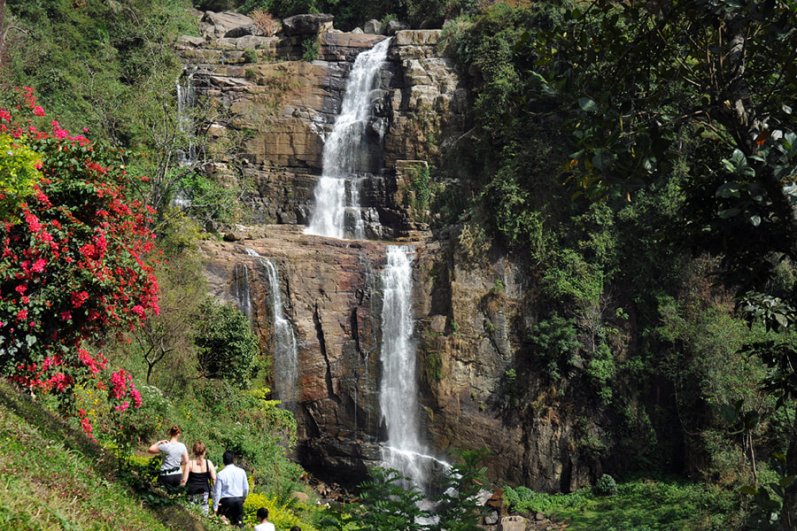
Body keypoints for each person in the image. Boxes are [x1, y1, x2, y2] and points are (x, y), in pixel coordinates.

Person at [213, 450, 249, 527]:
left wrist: (215, 507)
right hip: (238, 500)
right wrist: (243, 498)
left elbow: (217, 493)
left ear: (223, 461)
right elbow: (246, 488)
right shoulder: (241, 471)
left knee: (224, 524)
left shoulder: (220, 474)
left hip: (226, 502)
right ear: (233, 460)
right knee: (239, 524)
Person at [148, 425, 188, 490]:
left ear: (170, 433)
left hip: (165, 474)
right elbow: (186, 461)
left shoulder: (165, 445)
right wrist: (180, 462)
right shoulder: (182, 446)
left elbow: (150, 450)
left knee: (161, 495)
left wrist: (159, 442)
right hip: (177, 475)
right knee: (174, 496)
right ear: (178, 434)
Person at [181, 441, 216, 515]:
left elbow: (184, 481)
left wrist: (179, 492)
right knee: (204, 514)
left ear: (193, 451)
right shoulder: (208, 463)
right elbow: (214, 479)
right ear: (205, 451)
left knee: (191, 514)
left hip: (191, 492)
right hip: (204, 493)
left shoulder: (190, 464)